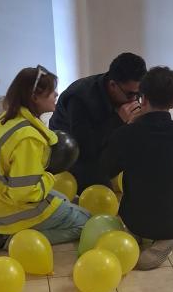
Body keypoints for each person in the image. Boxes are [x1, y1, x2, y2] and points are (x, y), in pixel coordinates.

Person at [0, 66, 90, 250]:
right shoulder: (28, 137)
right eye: (51, 91)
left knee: (63, 199)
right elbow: (24, 193)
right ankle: (11, 238)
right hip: (8, 211)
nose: (56, 94)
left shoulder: (3, 120)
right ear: (34, 97)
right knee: (86, 222)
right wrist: (50, 175)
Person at [101, 66, 173, 270]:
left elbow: (107, 169)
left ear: (142, 100)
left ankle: (137, 237)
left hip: (133, 219)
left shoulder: (125, 135)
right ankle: (166, 240)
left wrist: (127, 125)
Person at [49, 52, 147, 192]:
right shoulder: (80, 98)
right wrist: (118, 120)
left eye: (139, 93)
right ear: (113, 85)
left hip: (100, 142)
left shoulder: (127, 92)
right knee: (102, 185)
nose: (135, 99)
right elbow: (85, 148)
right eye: (131, 94)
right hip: (69, 153)